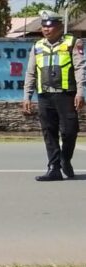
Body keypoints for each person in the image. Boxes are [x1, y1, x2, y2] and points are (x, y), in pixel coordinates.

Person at [22, 10, 85, 181]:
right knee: (49, 132)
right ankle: (54, 168)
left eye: (49, 26)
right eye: (43, 26)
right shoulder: (37, 46)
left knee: (70, 131)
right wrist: (27, 96)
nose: (46, 29)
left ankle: (65, 159)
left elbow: (80, 69)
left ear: (59, 27)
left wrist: (80, 92)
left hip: (66, 95)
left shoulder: (72, 42)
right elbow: (31, 72)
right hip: (45, 96)